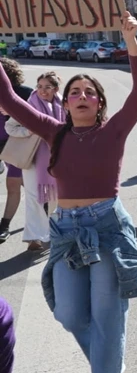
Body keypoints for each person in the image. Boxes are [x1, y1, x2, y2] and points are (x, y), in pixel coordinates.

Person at [0, 13, 137, 373]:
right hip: (66, 231)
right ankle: (108, 364)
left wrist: (130, 41)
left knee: (106, 312)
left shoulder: (113, 131)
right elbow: (9, 100)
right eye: (74, 92)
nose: (82, 95)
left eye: (89, 92)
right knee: (68, 313)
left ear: (99, 103)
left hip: (107, 228)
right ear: (65, 103)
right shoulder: (55, 132)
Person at [6, 72, 66, 251]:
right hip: (33, 158)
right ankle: (34, 237)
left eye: (47, 87)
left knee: (57, 198)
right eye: (39, 86)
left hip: (58, 159)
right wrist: (29, 132)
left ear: (56, 89)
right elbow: (10, 127)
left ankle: (55, 233)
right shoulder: (29, 106)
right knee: (34, 197)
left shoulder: (64, 106)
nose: (42, 91)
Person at [0, 58, 32, 241]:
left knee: (14, 184)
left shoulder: (23, 92)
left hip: (15, 144)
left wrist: (11, 111)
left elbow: (38, 117)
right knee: (25, 184)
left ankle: (4, 225)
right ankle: (46, 207)